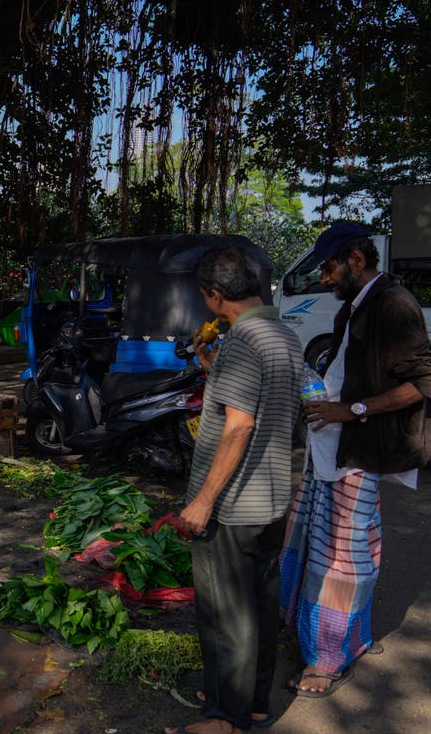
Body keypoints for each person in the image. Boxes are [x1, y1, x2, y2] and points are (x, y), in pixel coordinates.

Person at [280, 222, 431, 698]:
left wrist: (350, 410)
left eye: (328, 268)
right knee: (322, 548)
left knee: (343, 561)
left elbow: (425, 381)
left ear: (355, 258)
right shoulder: (355, 305)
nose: (324, 279)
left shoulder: (393, 303)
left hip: (358, 454)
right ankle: (339, 634)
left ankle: (328, 659)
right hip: (330, 451)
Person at [166, 246, 301, 734]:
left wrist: (202, 500)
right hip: (270, 502)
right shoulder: (283, 334)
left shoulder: (244, 339)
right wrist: (211, 369)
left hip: (234, 505)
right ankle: (254, 704)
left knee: (226, 613)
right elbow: (259, 404)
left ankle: (225, 719)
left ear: (215, 296)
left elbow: (239, 427)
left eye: (206, 298)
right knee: (260, 607)